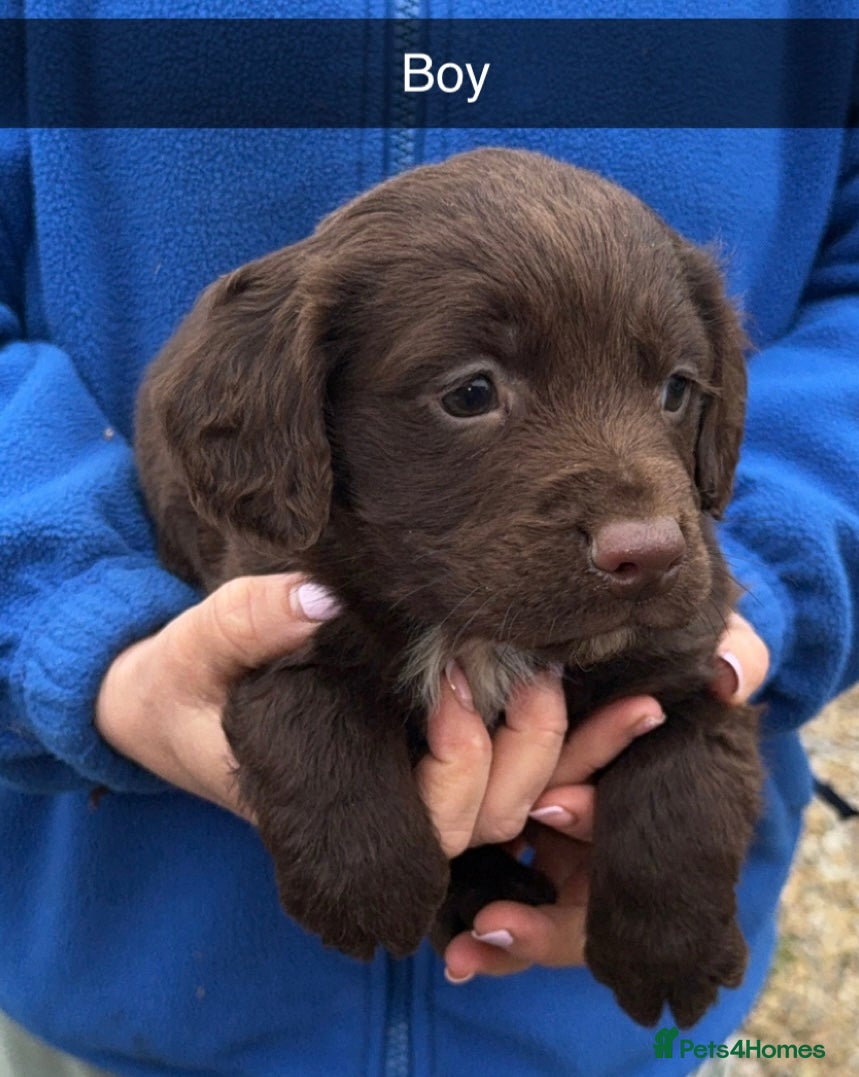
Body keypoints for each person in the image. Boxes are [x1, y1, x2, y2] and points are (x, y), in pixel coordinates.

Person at [1, 4, 858, 1076]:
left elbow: (695, 704)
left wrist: (770, 577)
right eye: (471, 393)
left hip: (600, 1037)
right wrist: (77, 629)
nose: (642, 525)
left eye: (673, 390)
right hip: (130, 980)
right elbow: (284, 672)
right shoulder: (296, 502)